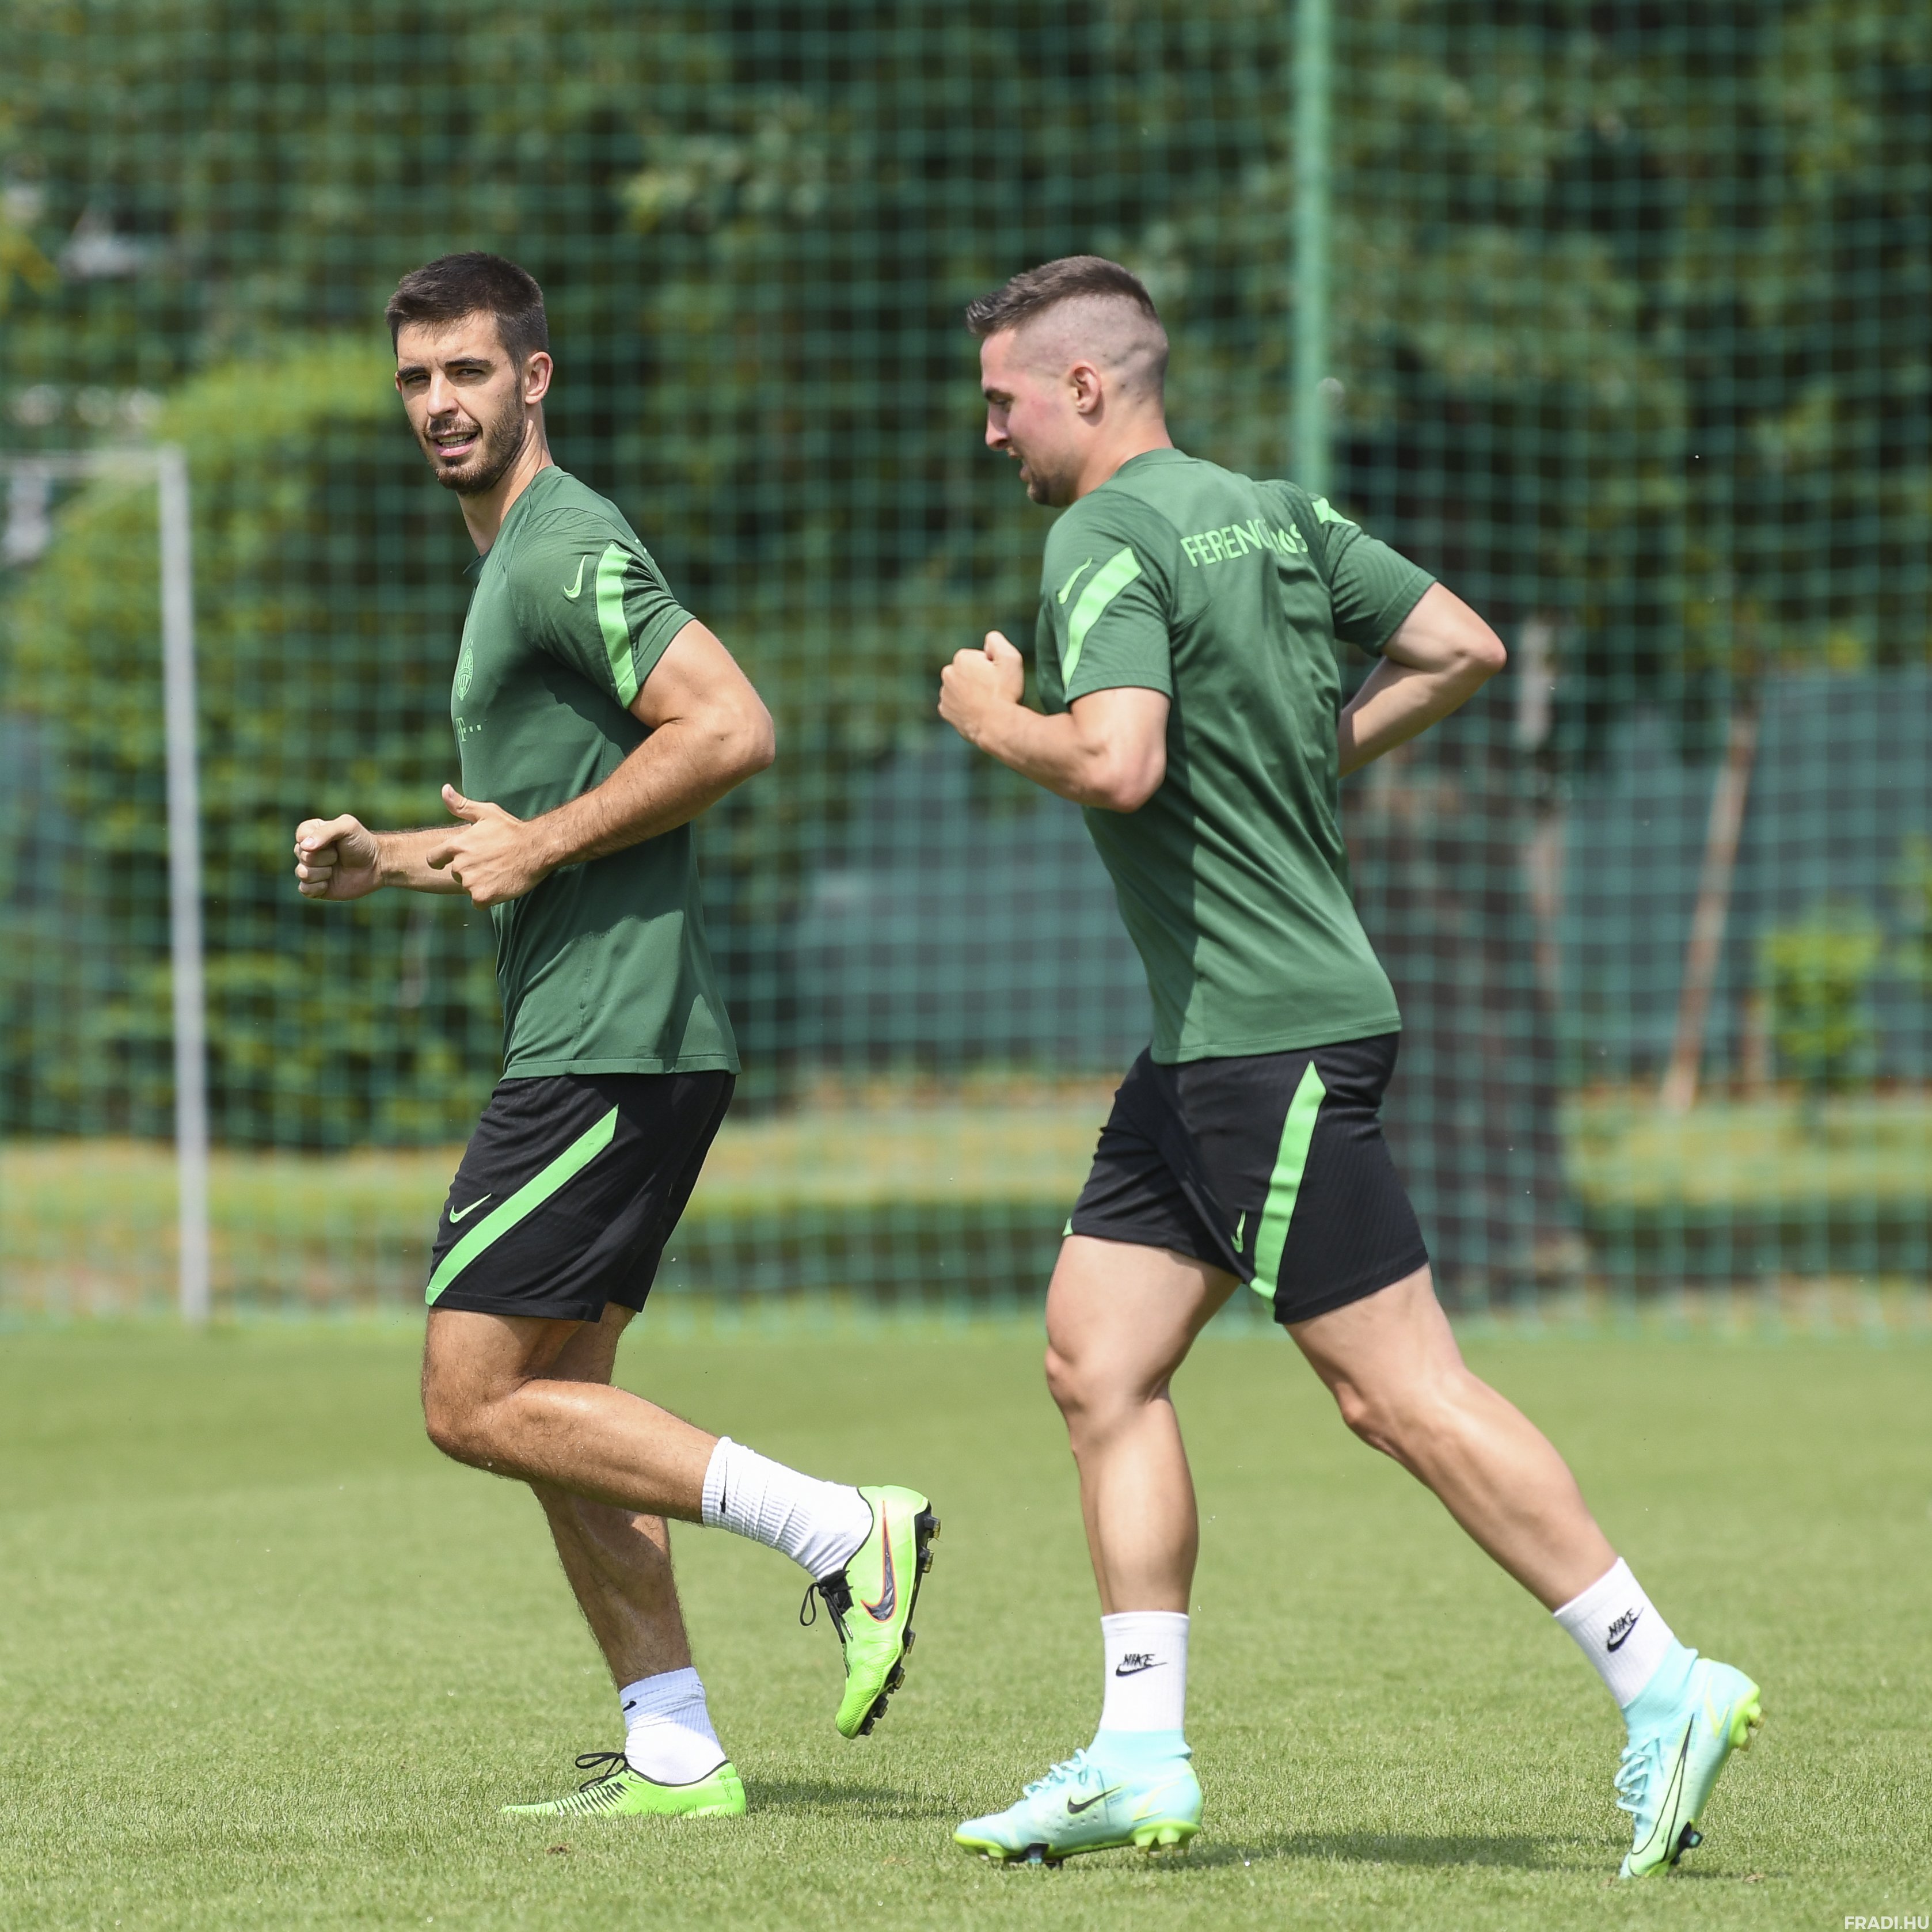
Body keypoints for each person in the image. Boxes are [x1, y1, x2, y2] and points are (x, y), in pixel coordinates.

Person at [936, 255, 1758, 1876]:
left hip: (1265, 1037)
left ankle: (1663, 1680)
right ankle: (1138, 1753)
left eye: (1002, 400)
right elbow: (1461, 646)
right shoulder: (1273, 515)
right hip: (1211, 1042)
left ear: (1083, 387)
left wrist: (992, 718)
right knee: (1098, 1360)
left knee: (1398, 1391)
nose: (991, 434)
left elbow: (1116, 758)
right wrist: (1314, 753)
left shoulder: (1097, 536)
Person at [293, 252, 936, 1821]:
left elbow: (730, 724)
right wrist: (396, 857)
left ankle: (841, 1529)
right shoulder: (511, 561)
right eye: (415, 379)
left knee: (469, 1396)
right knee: (560, 1412)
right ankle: (672, 1744)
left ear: (535, 377)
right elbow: (528, 831)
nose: (439, 403)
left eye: (467, 371)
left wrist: (540, 844)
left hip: (609, 1038)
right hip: (615, 1034)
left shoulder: (564, 543)